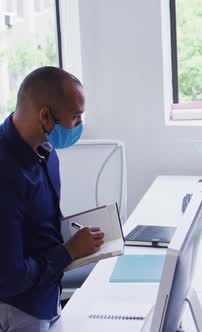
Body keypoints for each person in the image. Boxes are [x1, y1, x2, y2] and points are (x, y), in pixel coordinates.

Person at [0, 67, 104, 332]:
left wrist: (74, 235)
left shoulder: (46, 152)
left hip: (48, 294)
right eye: (75, 117)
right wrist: (69, 252)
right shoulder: (6, 173)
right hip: (20, 307)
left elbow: (40, 223)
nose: (79, 124)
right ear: (45, 116)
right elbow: (10, 277)